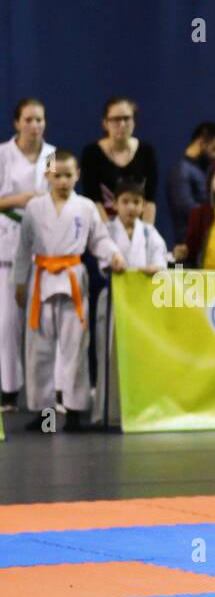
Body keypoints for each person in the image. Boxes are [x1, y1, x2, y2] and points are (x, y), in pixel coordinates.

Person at [13, 150, 125, 431]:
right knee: (40, 352)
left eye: (68, 175)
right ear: (47, 175)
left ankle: (74, 413)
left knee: (75, 348)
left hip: (73, 279)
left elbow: (99, 240)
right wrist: (20, 281)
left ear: (77, 175)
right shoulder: (35, 208)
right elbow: (24, 248)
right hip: (42, 282)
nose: (62, 180)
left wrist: (113, 255)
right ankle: (46, 417)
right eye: (56, 175)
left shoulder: (86, 207)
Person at [0, 98, 56, 412]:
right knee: (7, 325)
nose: (35, 125)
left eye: (40, 120)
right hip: (7, 247)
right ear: (16, 123)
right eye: (29, 120)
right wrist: (23, 199)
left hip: (46, 251)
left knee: (44, 325)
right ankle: (8, 390)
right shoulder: (2, 154)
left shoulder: (53, 155)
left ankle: (47, 395)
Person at [96, 177, 166, 427]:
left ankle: (141, 409)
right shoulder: (107, 230)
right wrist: (112, 263)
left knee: (141, 355)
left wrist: (155, 267)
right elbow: (102, 258)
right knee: (110, 354)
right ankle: (108, 413)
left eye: (137, 202)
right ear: (114, 203)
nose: (131, 208)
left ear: (144, 205)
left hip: (141, 302)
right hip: (114, 300)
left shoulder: (149, 232)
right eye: (125, 202)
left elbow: (161, 259)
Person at [79, 97, 159, 224]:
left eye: (127, 118)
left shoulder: (50, 153)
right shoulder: (52, 156)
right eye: (116, 119)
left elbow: (150, 199)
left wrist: (145, 234)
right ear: (105, 123)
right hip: (42, 210)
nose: (122, 124)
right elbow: (50, 183)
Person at [166, 121, 215, 239]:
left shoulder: (202, 170)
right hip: (190, 245)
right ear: (201, 143)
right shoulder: (181, 171)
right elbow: (186, 208)